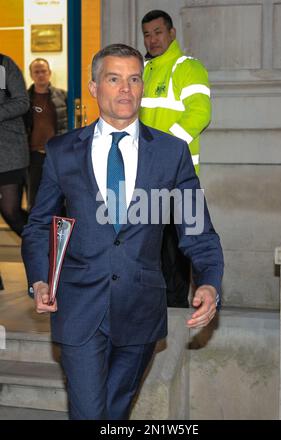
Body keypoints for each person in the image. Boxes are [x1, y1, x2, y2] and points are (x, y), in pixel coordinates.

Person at [21, 44, 224, 420]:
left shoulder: (171, 152)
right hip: (78, 305)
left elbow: (196, 227)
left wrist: (210, 281)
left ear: (143, 87)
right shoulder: (63, 151)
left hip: (141, 307)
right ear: (95, 87)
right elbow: (38, 225)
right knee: (89, 412)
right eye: (114, 79)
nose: (125, 89)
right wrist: (39, 279)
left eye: (134, 79)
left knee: (113, 412)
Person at [140, 10, 211, 308]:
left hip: (178, 172)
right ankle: (158, 303)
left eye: (158, 32)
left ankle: (177, 309)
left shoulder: (188, 67)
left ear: (171, 33)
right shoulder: (142, 69)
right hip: (145, 172)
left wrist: (164, 151)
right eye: (147, 34)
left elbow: (200, 114)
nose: (152, 39)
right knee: (153, 243)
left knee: (177, 243)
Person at [25, 58, 68, 210]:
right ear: (31, 75)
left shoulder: (63, 96)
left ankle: (58, 234)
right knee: (35, 200)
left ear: (49, 73)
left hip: (56, 155)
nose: (41, 75)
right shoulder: (24, 100)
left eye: (43, 71)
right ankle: (37, 233)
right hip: (34, 157)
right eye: (36, 72)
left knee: (61, 199)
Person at [0, 54, 29, 237]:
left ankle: (48, 251)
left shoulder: (4, 64)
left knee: (10, 211)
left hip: (8, 153)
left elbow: (22, 102)